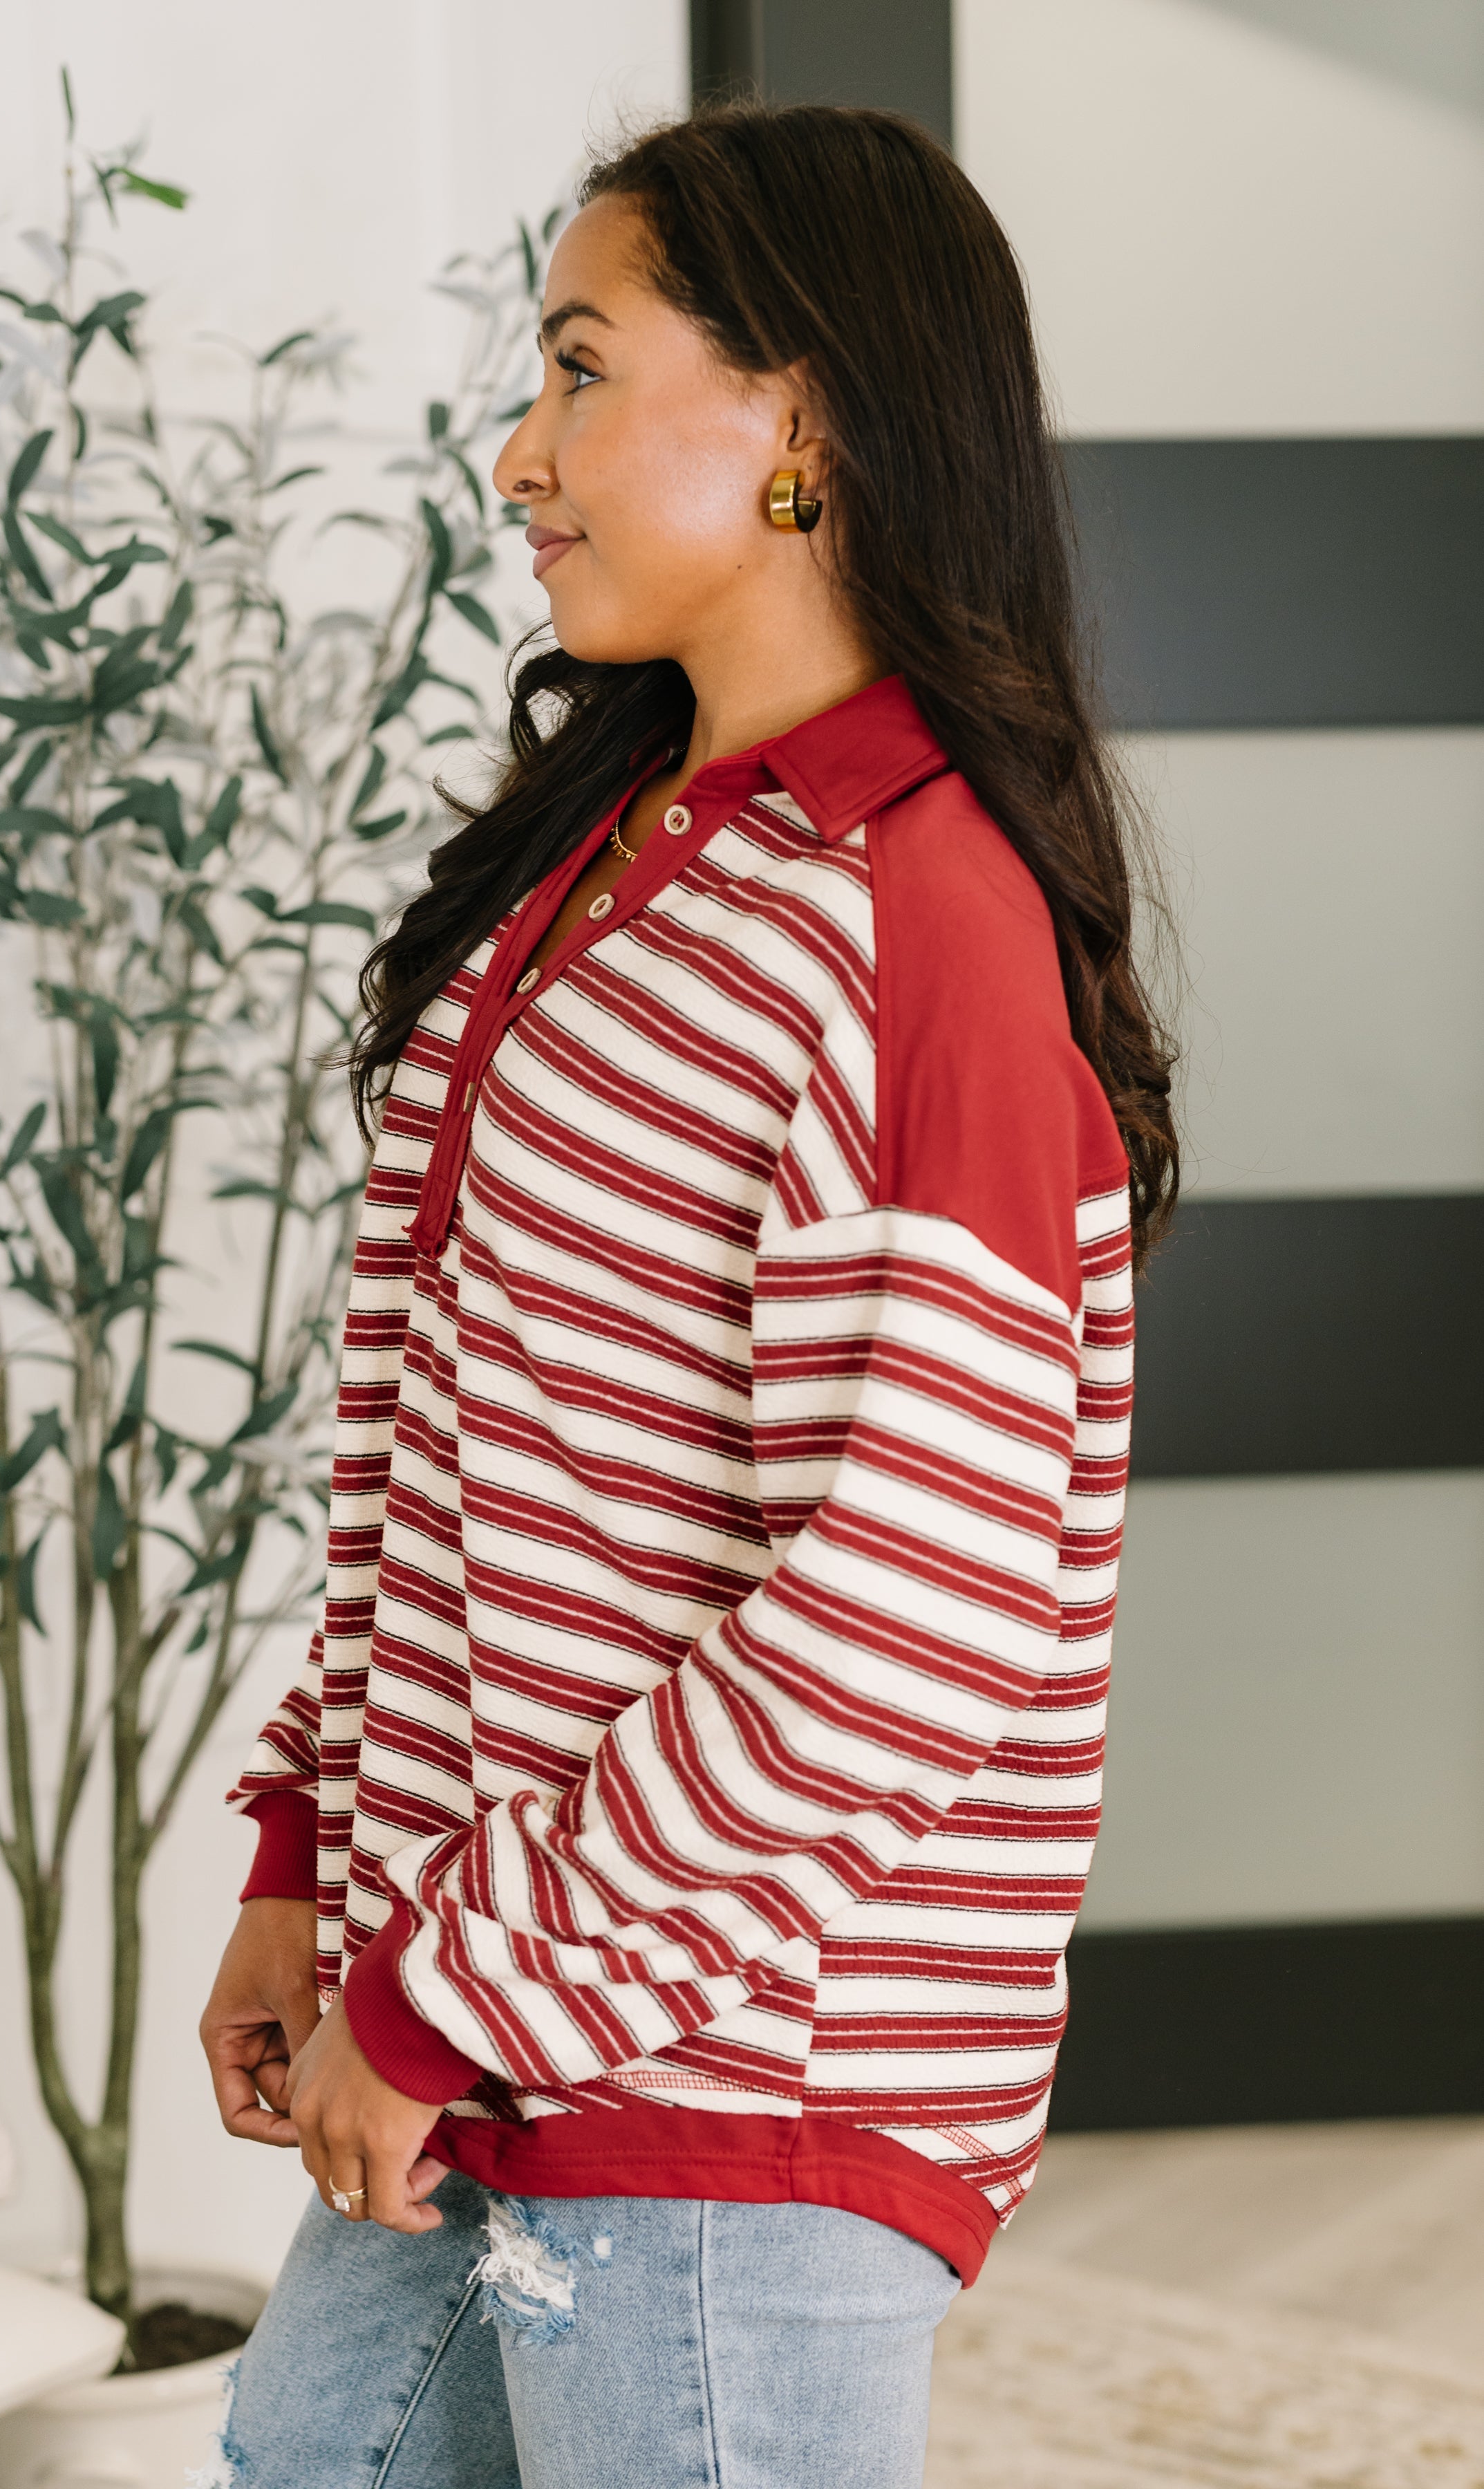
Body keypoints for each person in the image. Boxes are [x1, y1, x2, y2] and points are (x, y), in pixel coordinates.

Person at [198, 102, 1176, 2489]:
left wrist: (442, 1988)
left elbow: (904, 1621)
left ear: (799, 414)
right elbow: (462, 1457)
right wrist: (313, 1853)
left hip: (735, 2091)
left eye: (578, 367)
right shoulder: (625, 861)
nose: (517, 454)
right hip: (499, 2010)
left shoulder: (912, 923)